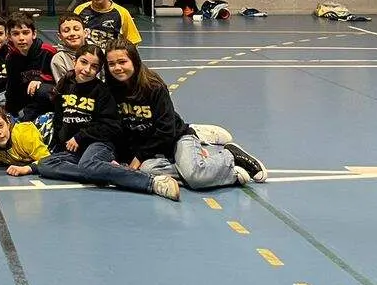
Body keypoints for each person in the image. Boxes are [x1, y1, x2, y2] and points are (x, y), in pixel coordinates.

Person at [104, 40, 268, 189]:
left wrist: (139, 156)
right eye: (111, 64)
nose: (117, 68)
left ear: (135, 61)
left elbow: (166, 130)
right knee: (147, 170)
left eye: (122, 62)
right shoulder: (111, 90)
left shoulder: (153, 87)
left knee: (194, 178)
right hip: (153, 149)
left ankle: (229, 157)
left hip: (176, 137)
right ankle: (213, 170)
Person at [34, 45, 181, 201]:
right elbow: (59, 119)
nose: (87, 69)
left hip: (99, 144)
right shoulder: (64, 85)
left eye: (94, 66)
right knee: (45, 165)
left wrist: (81, 136)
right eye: (83, 62)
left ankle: (151, 182)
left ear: (99, 70)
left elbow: (110, 124)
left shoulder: (103, 90)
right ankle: (108, 171)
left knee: (88, 165)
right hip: (77, 149)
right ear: (74, 61)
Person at [0, 103, 50, 175]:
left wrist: (27, 169)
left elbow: (48, 160)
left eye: (0, 126)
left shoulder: (24, 134)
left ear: (8, 123)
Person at [50, 13, 87, 82]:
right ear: (60, 37)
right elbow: (63, 87)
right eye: (66, 31)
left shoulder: (97, 53)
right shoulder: (59, 59)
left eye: (76, 29)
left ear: (85, 33)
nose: (72, 33)